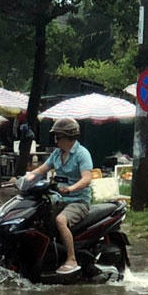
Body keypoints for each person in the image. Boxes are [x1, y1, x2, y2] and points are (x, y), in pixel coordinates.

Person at [25, 117, 93, 275]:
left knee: (60, 220)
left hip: (79, 201)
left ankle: (71, 259)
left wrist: (71, 189)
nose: (56, 140)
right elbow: (41, 170)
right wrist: (23, 179)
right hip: (59, 199)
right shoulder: (56, 154)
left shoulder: (82, 154)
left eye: (58, 137)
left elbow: (87, 178)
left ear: (69, 138)